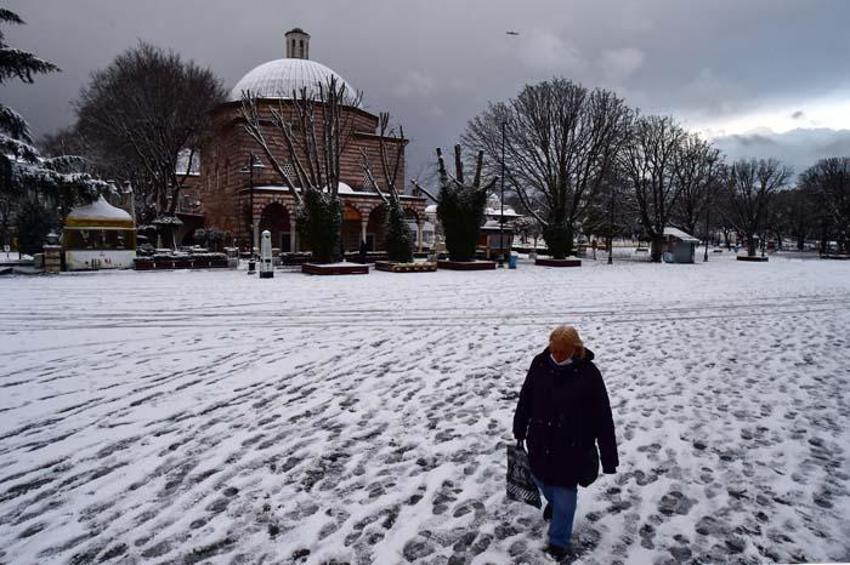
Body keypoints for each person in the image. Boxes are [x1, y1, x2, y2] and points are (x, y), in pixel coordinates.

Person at [512, 325, 619, 561]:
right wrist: (519, 428)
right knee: (540, 478)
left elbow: (602, 415)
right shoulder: (540, 363)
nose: (557, 355)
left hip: (573, 447)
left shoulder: (589, 373)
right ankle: (554, 504)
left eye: (563, 351)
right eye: (554, 349)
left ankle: (559, 542)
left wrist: (609, 456)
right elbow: (526, 397)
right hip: (540, 440)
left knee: (566, 496)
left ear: (575, 349)